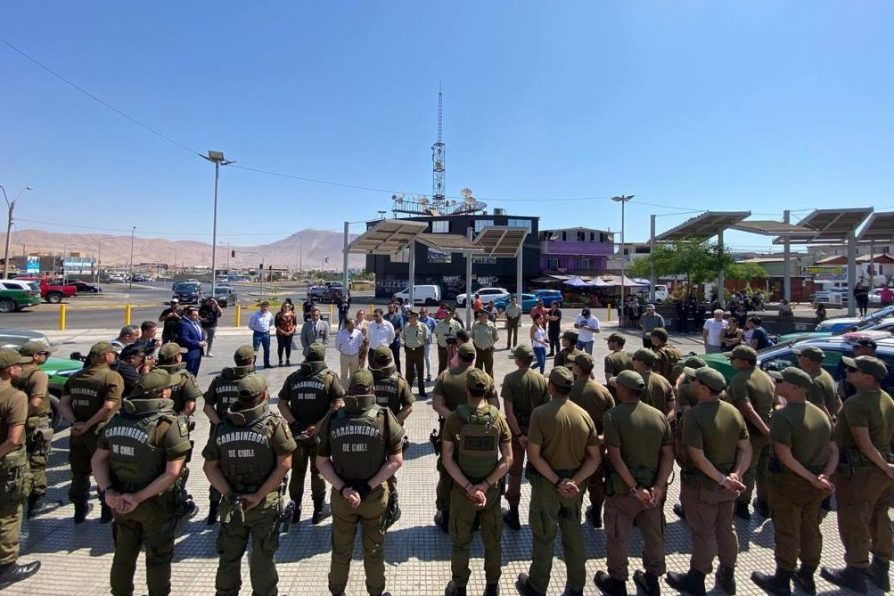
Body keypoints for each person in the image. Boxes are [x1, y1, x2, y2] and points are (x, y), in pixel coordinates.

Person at [91, 369, 191, 596]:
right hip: (155, 504)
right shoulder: (167, 424)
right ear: (163, 393)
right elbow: (172, 472)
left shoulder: (117, 420)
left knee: (124, 555)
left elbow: (97, 460)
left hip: (121, 502)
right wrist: (137, 498)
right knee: (157, 558)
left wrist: (108, 492)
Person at [203, 375, 295, 596]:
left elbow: (209, 468)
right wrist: (259, 495)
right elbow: (285, 464)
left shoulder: (223, 426)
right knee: (262, 559)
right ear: (263, 395)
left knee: (228, 558)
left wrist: (230, 495)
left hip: (233, 504)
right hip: (264, 504)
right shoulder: (273, 424)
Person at [316, 369, 404, 596]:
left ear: (349, 391)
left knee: (340, 550)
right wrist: (367, 486)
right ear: (372, 391)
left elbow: (322, 462)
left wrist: (344, 488)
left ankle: (337, 591)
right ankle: (376, 591)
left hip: (343, 498)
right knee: (373, 550)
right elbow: (395, 462)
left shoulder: (334, 418)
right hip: (373, 497)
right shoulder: (383, 417)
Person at [750, 367, 837, 596]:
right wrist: (824, 477)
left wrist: (811, 478)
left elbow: (784, 456)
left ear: (795, 387)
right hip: (816, 483)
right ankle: (807, 575)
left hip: (790, 483)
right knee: (811, 528)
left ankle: (782, 579)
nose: (776, 384)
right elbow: (834, 450)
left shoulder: (782, 416)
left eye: (781, 381)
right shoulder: (820, 414)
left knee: (787, 530)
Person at [516, 367, 601, 596]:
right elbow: (594, 458)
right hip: (575, 487)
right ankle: (576, 586)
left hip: (547, 484)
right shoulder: (584, 415)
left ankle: (537, 585)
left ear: (550, 387)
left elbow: (534, 455)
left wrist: (557, 482)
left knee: (544, 535)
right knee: (573, 535)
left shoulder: (541, 414)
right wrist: (573, 481)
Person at [666, 366, 751, 596]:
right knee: (726, 529)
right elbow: (745, 449)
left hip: (704, 486)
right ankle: (728, 574)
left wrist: (724, 479)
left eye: (694, 380)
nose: (690, 382)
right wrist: (736, 475)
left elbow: (698, 457)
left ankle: (697, 577)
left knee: (703, 531)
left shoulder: (694, 416)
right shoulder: (733, 411)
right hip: (728, 486)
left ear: (703, 388)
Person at [593, 369, 673, 596]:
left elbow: (615, 457)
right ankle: (652, 579)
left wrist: (635, 488)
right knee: (654, 535)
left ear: (622, 390)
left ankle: (618, 583)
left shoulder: (613, 416)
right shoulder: (658, 416)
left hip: (623, 491)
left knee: (618, 536)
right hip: (654, 491)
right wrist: (658, 486)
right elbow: (668, 455)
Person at [820, 355, 894, 593]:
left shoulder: (857, 403)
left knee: (854, 520)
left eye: (853, 370)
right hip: (882, 470)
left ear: (868, 377)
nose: (847, 372)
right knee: (879, 516)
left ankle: (855, 570)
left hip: (862, 471)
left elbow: (863, 443)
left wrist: (883, 465)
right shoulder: (887, 400)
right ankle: (880, 567)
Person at [442, 369, 512, 596]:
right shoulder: (498, 419)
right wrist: (485, 485)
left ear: (466, 390)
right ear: (488, 391)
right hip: (490, 493)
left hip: (463, 492)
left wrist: (469, 487)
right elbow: (508, 459)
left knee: (461, 542)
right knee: (492, 542)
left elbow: (447, 459)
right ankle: (492, 586)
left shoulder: (454, 419)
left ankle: (460, 587)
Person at [432, 344, 497, 532]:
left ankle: (445, 514)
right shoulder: (485, 378)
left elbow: (437, 404)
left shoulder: (446, 375)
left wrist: (457, 419)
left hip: (450, 433)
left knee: (447, 471)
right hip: (480, 433)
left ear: (458, 357)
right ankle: (477, 512)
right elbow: (494, 407)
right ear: (474, 358)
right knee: (477, 470)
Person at [277, 343, 343, 525]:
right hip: (319, 435)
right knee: (319, 470)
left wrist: (294, 423)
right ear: (322, 358)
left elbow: (282, 404)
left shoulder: (294, 377)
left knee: (297, 471)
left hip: (297, 434)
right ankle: (319, 509)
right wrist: (319, 425)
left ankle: (295, 508)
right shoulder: (329, 378)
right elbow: (338, 403)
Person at [59, 341, 124, 523]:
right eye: (113, 353)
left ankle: (79, 511)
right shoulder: (111, 377)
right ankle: (106, 511)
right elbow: (108, 406)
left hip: (77, 433)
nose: (115, 356)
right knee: (105, 472)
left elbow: (63, 404)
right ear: (105, 357)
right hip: (101, 433)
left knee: (79, 473)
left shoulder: (76, 377)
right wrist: (88, 424)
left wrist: (75, 423)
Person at [202, 345, 257, 525]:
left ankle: (213, 510)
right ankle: (243, 507)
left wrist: (219, 424)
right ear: (251, 360)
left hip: (220, 434)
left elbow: (207, 406)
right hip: (245, 435)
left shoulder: (219, 380)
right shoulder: (252, 382)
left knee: (217, 470)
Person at [0, 349, 42, 586]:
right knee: (8, 514)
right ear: (9, 370)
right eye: (17, 365)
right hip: (7, 463)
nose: (21, 368)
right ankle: (7, 566)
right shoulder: (14, 396)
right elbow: (14, 438)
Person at [724, 344, 776, 521]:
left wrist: (763, 429)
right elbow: (778, 402)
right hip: (768, 430)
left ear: (744, 362)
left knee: (748, 468)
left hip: (751, 432)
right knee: (764, 469)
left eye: (733, 358)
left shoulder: (740, 379)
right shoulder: (766, 377)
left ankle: (742, 506)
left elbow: (745, 407)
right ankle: (765, 504)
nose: (730, 361)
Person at [501, 344, 549, 531]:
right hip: (537, 433)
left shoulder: (510, 379)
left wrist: (519, 435)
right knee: (540, 471)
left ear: (517, 360)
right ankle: (541, 513)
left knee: (514, 473)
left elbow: (509, 411)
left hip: (517, 433)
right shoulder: (541, 380)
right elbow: (545, 410)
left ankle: (514, 513)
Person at [369, 345, 414, 526]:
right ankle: (391, 500)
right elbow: (409, 406)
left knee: (372, 465)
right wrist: (393, 422)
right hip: (391, 434)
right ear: (390, 361)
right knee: (390, 467)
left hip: (369, 430)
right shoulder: (399, 381)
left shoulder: (366, 378)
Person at [14, 341, 59, 518]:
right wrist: (22, 415)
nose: (46, 357)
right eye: (44, 354)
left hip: (17, 424)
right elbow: (36, 402)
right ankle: (37, 502)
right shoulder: (38, 375)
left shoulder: (14, 372)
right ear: (35, 356)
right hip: (35, 423)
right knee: (37, 462)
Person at [569, 353, 614, 529]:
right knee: (596, 481)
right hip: (597, 445)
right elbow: (611, 420)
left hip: (574, 446)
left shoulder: (570, 390)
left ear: (578, 368)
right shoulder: (603, 391)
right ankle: (596, 512)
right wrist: (602, 437)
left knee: (576, 479)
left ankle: (573, 515)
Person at [153, 342, 202, 416]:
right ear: (176, 358)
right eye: (180, 354)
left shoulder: (150, 374)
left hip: (150, 422)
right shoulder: (185, 378)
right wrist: (177, 422)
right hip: (174, 421)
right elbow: (190, 407)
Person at [631, 349, 675, 423]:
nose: (632, 361)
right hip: (659, 424)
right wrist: (663, 424)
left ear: (641, 363)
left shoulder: (633, 381)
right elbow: (672, 408)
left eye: (634, 359)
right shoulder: (664, 380)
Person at [796, 346, 839, 422]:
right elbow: (838, 401)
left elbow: (820, 408)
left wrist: (831, 427)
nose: (797, 358)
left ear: (807, 360)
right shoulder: (825, 374)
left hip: (820, 424)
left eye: (799, 356)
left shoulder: (813, 381)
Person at [401, 310, 430, 396]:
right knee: (408, 372)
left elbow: (426, 338)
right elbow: (403, 337)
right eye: (409, 317)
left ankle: (422, 391)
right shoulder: (406, 326)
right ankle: (407, 392)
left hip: (419, 350)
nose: (409, 319)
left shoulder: (422, 326)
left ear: (416, 317)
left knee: (420, 371)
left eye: (411, 317)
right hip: (409, 351)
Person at [177, 306, 206, 377]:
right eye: (194, 315)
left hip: (198, 352)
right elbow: (184, 339)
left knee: (194, 373)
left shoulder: (196, 322)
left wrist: (203, 340)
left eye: (197, 315)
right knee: (188, 373)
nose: (197, 317)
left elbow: (199, 333)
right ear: (188, 315)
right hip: (190, 353)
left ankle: (192, 385)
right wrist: (198, 343)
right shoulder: (183, 324)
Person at [471, 309, 499, 378]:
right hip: (478, 350)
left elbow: (496, 338)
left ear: (486, 316)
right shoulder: (475, 325)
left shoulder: (492, 326)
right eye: (479, 316)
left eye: (481, 316)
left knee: (489, 371)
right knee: (477, 370)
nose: (479, 318)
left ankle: (490, 386)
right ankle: (477, 386)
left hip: (488, 351)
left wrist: (489, 344)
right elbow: (472, 336)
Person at [603, 333, 633, 398]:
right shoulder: (632, 356)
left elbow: (610, 380)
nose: (607, 344)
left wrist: (624, 391)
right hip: (632, 392)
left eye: (609, 342)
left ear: (615, 343)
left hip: (616, 394)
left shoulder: (610, 358)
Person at [335, 317, 364, 384]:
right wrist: (343, 351)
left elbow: (360, 343)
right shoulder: (341, 334)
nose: (353, 326)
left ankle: (352, 389)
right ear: (347, 325)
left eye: (354, 324)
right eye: (351, 324)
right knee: (344, 374)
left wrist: (356, 350)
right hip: (344, 356)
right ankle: (344, 389)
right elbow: (337, 346)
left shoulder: (358, 333)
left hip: (355, 356)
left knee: (354, 374)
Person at [248, 301, 274, 369]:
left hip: (266, 334)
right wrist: (255, 329)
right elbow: (250, 325)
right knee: (255, 350)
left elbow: (271, 323)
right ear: (261, 307)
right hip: (257, 334)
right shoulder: (255, 315)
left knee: (267, 350)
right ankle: (252, 365)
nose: (265, 308)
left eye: (266, 306)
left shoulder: (270, 314)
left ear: (268, 307)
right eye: (263, 306)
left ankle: (266, 364)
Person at [274, 302, 297, 367]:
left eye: (288, 306)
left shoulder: (293, 314)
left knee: (288, 346)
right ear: (282, 307)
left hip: (290, 333)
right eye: (285, 306)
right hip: (280, 333)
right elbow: (276, 325)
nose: (287, 308)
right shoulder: (278, 315)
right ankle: (280, 360)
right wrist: (283, 332)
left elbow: (295, 324)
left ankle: (287, 359)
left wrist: (291, 331)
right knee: (281, 346)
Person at [383, 303, 404, 374]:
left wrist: (393, 334)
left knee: (396, 358)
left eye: (391, 308)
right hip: (387, 341)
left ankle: (399, 372)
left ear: (394, 308)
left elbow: (401, 327)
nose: (389, 309)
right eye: (388, 308)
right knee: (386, 358)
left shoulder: (399, 316)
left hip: (396, 340)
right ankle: (387, 372)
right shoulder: (385, 317)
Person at [419, 307, 437, 382]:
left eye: (423, 312)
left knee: (427, 357)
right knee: (419, 358)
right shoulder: (418, 320)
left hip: (427, 342)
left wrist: (429, 335)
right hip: (419, 342)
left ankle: (429, 374)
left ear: (426, 312)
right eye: (420, 313)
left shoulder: (431, 320)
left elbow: (435, 329)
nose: (422, 314)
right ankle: (417, 373)